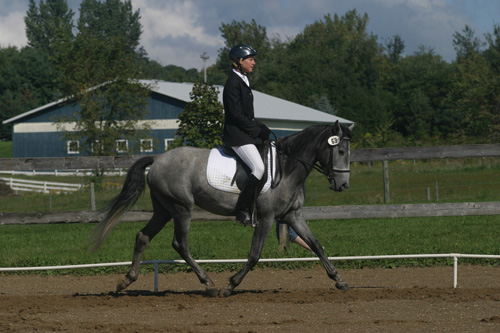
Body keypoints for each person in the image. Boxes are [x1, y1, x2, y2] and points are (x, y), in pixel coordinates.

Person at [222, 44, 271, 226]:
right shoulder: (233, 83)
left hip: (244, 133)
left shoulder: (242, 80)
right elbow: (236, 115)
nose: (254, 63)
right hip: (236, 136)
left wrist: (261, 127)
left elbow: (247, 115)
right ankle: (243, 210)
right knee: (258, 168)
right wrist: (256, 130)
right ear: (239, 61)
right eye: (250, 59)